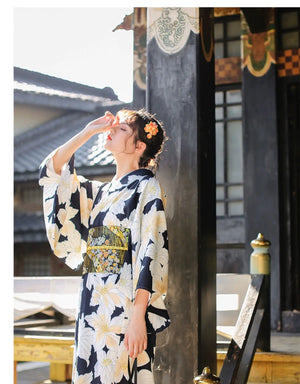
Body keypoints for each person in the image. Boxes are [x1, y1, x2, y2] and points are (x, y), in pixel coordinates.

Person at [39, 109, 170, 384]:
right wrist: (89, 131)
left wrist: (138, 318)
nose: (112, 130)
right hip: (93, 304)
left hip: (122, 308)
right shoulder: (101, 193)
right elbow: (52, 171)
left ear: (139, 146)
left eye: (122, 129)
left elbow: (150, 250)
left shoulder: (146, 187)